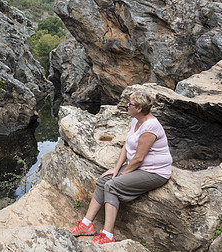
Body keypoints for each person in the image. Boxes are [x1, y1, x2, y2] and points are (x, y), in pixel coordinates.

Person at [68, 90, 173, 244]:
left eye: (130, 103)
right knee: (104, 180)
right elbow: (126, 145)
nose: (127, 105)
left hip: (154, 172)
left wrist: (123, 174)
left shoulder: (150, 127)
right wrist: (116, 169)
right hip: (138, 167)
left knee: (112, 185)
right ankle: (86, 224)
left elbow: (139, 158)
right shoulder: (136, 121)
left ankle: (108, 235)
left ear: (139, 109)